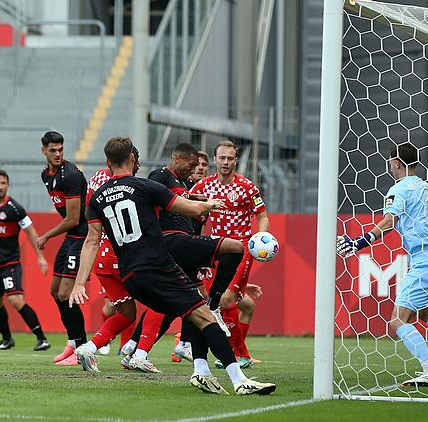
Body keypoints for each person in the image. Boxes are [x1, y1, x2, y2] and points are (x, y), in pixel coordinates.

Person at [70, 136, 275, 395]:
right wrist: (207, 204)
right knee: (206, 315)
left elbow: (91, 241)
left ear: (108, 162)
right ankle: (239, 380)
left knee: (194, 312)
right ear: (133, 159)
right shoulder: (144, 186)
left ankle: (200, 371)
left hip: (131, 275)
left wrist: (79, 282)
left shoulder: (97, 197)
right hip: (157, 266)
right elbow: (185, 207)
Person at [336, 142, 428, 387]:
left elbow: (389, 220)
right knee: (427, 314)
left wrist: (359, 242)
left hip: (426, 261)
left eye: (390, 163)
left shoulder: (399, 189)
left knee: (398, 319)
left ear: (395, 163)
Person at [120, 143, 245, 372]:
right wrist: (200, 202)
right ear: (177, 159)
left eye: (200, 166)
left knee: (184, 306)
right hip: (170, 243)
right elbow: (159, 200)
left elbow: (188, 212)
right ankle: (212, 311)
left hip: (184, 246)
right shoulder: (159, 176)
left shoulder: (186, 186)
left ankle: (189, 363)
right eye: (193, 164)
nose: (196, 169)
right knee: (233, 250)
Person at [190, 140, 268, 368]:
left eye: (230, 158)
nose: (225, 162)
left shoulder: (246, 187)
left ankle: (240, 355)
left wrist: (260, 237)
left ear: (235, 160)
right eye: (221, 158)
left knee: (224, 299)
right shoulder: (204, 186)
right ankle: (237, 353)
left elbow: (262, 215)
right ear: (215, 160)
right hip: (216, 249)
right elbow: (185, 204)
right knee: (243, 305)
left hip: (242, 247)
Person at [72, 147, 142, 371]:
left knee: (126, 311)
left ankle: (91, 348)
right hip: (125, 253)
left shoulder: (96, 179)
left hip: (102, 255)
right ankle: (137, 352)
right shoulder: (130, 183)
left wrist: (80, 282)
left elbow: (91, 223)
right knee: (161, 301)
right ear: (131, 159)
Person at [0, 170, 50, 351]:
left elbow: (30, 232)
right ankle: (6, 339)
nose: (0, 187)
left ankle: (41, 338)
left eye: (3, 183)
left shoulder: (15, 209)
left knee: (16, 299)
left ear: (8, 185)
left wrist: (40, 257)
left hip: (10, 263)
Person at [38, 131, 88, 365]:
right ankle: (73, 341)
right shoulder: (46, 175)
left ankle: (82, 350)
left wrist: (46, 236)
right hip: (72, 236)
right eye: (53, 150)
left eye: (61, 150)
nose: (57, 154)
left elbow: (73, 218)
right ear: (44, 151)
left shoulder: (71, 176)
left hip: (84, 235)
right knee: (54, 290)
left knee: (66, 294)